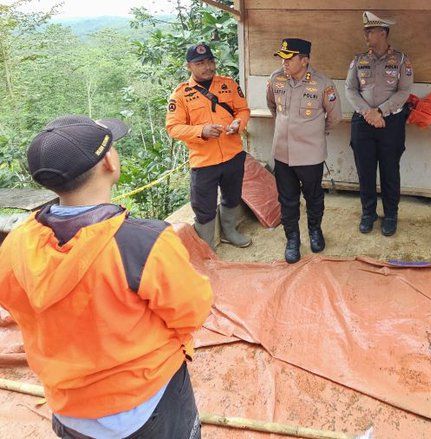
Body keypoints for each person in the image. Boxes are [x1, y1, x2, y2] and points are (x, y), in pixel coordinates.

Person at [0, 115, 214, 438]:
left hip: (71, 413)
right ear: (110, 162)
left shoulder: (17, 243)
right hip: (145, 406)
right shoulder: (144, 244)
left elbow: (16, 303)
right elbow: (193, 309)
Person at [166, 42, 251, 249]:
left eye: (211, 61)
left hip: (233, 155)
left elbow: (243, 110)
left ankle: (229, 232)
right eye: (201, 63)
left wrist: (237, 123)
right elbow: (173, 127)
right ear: (189, 66)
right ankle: (206, 247)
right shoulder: (181, 94)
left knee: (232, 196)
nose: (208, 67)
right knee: (204, 207)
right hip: (204, 161)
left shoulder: (228, 84)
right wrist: (200, 131)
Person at [266, 38, 342, 263]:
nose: (284, 62)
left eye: (289, 58)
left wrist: (314, 133)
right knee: (287, 199)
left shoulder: (322, 84)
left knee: (314, 196)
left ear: (305, 60)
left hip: (310, 154)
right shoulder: (275, 79)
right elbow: (273, 107)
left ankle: (315, 231)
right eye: (282, 57)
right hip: (282, 153)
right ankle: (292, 239)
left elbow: (334, 117)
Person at [345, 11, 413, 236]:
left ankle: (391, 215)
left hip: (390, 121)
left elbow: (404, 91)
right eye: (366, 31)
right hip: (363, 120)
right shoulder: (358, 60)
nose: (366, 35)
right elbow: (350, 89)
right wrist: (368, 112)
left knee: (390, 170)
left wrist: (380, 111)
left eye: (370, 31)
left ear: (383, 33)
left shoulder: (401, 60)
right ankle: (368, 213)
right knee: (365, 170)